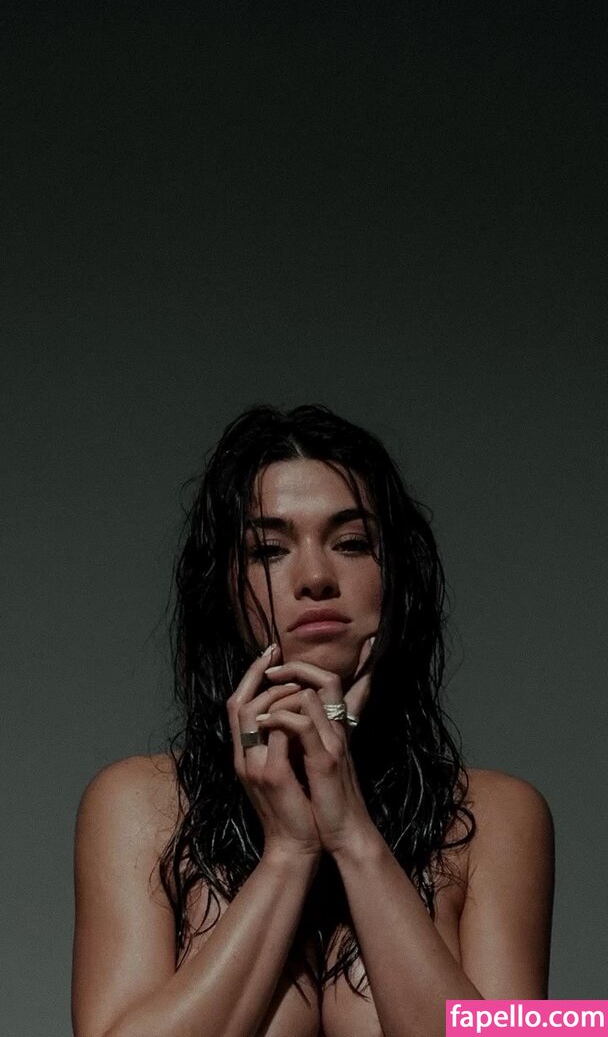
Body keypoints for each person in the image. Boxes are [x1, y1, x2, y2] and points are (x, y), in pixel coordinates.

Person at [71, 404, 555, 1037]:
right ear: (226, 590)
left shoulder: (498, 815)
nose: (317, 578)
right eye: (269, 550)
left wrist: (352, 832)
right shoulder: (139, 806)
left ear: (398, 575)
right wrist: (289, 851)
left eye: (352, 543)